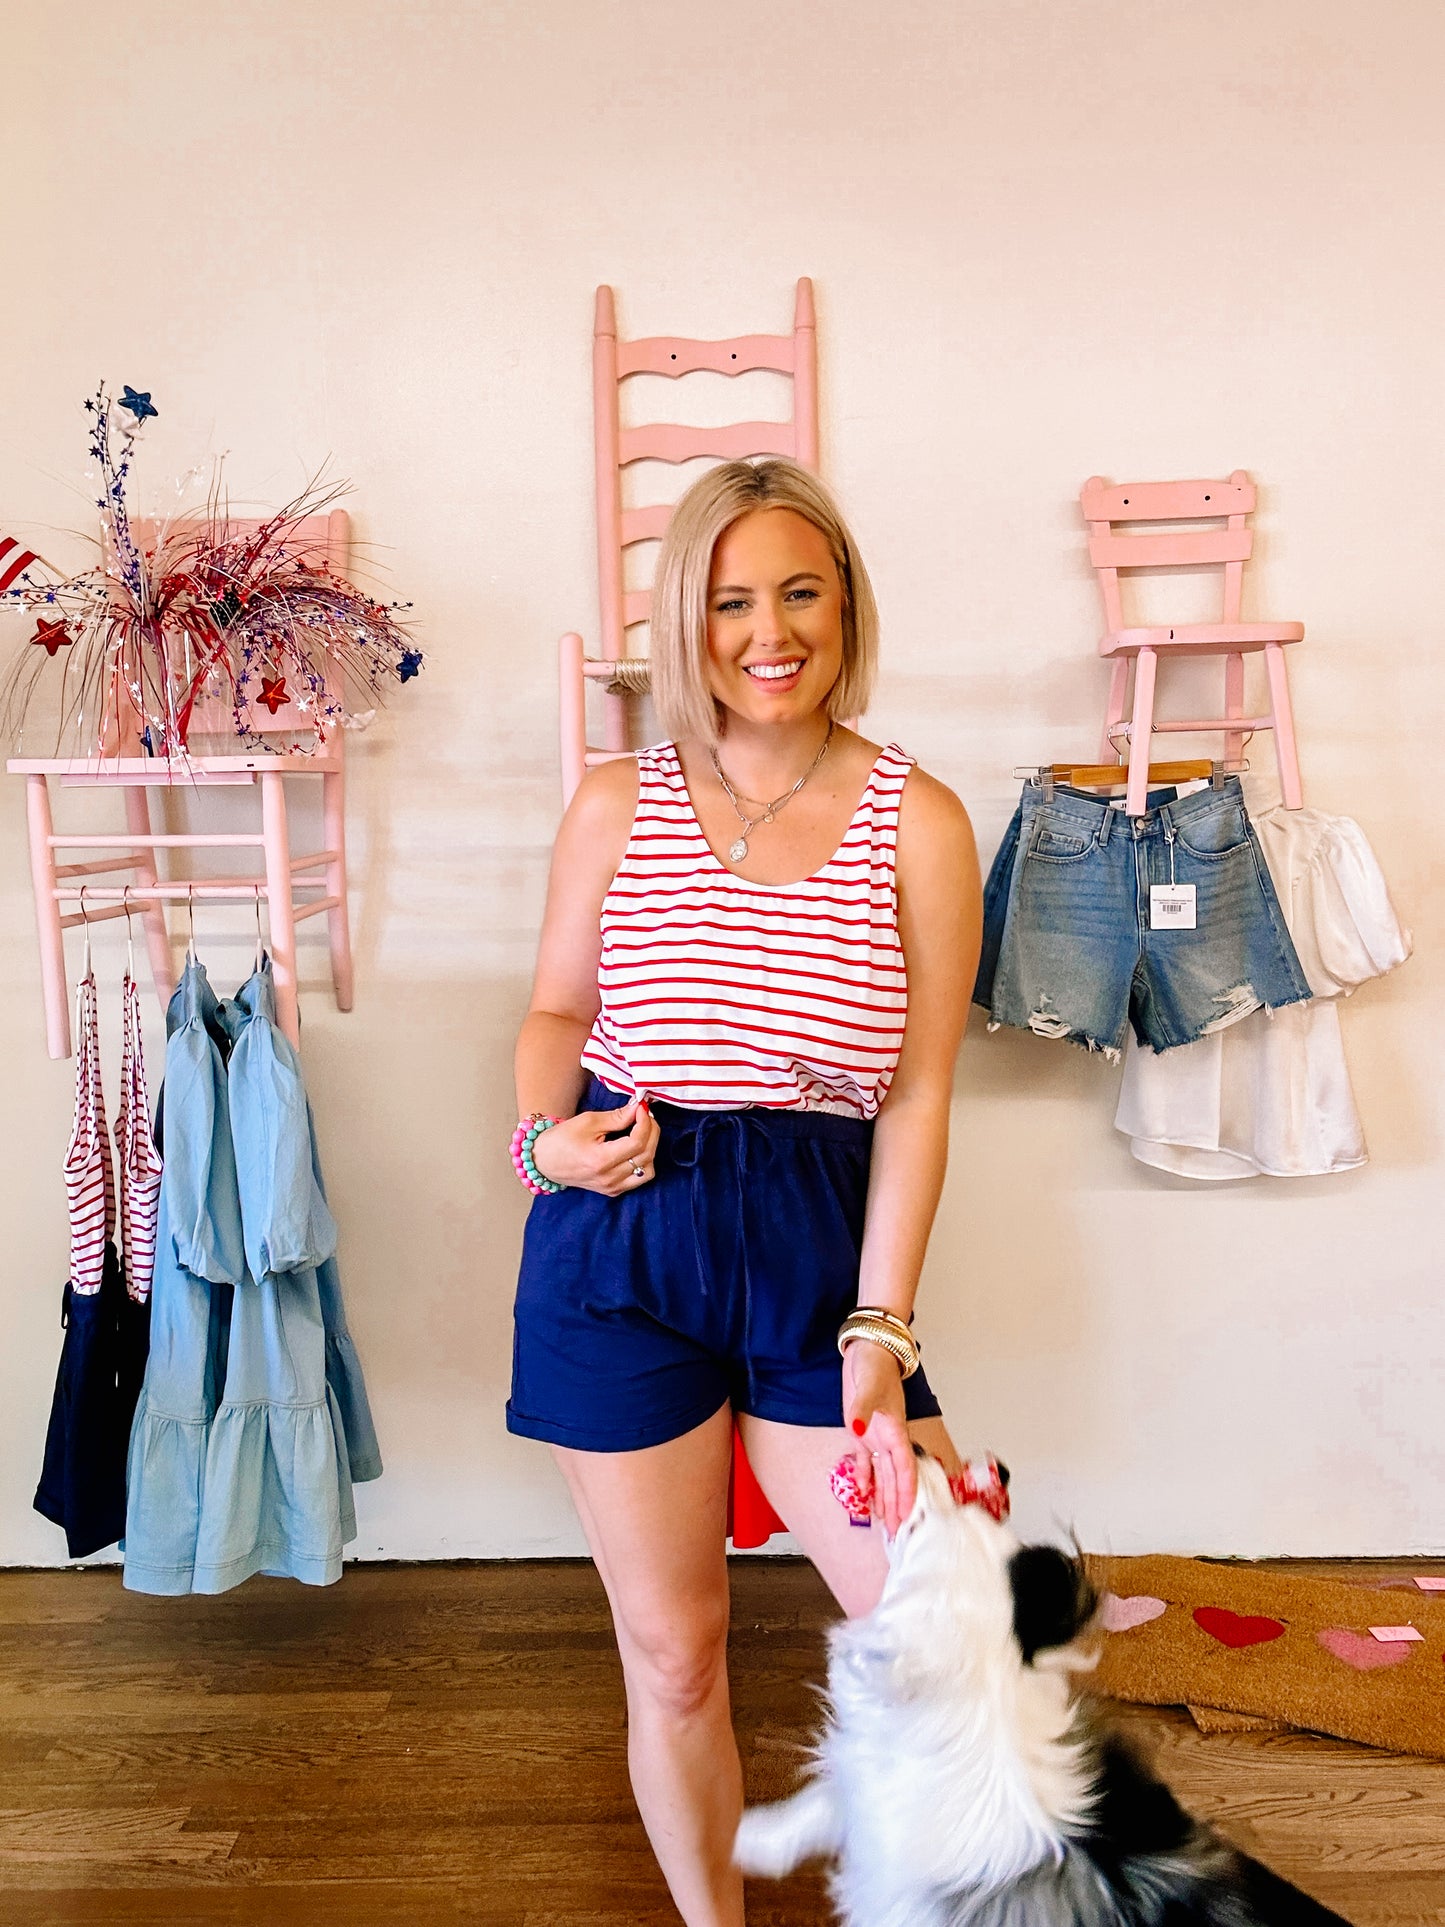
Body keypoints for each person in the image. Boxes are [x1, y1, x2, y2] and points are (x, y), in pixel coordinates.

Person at [506, 458, 982, 1926]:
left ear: (843, 606)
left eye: (797, 591)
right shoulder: (614, 803)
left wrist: (879, 1328)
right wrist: (545, 1143)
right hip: (619, 1241)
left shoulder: (920, 818)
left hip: (811, 1246)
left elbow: (913, 1094)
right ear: (685, 618)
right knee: (673, 1654)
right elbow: (550, 1020)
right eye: (728, 599)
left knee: (944, 1630)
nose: (765, 630)